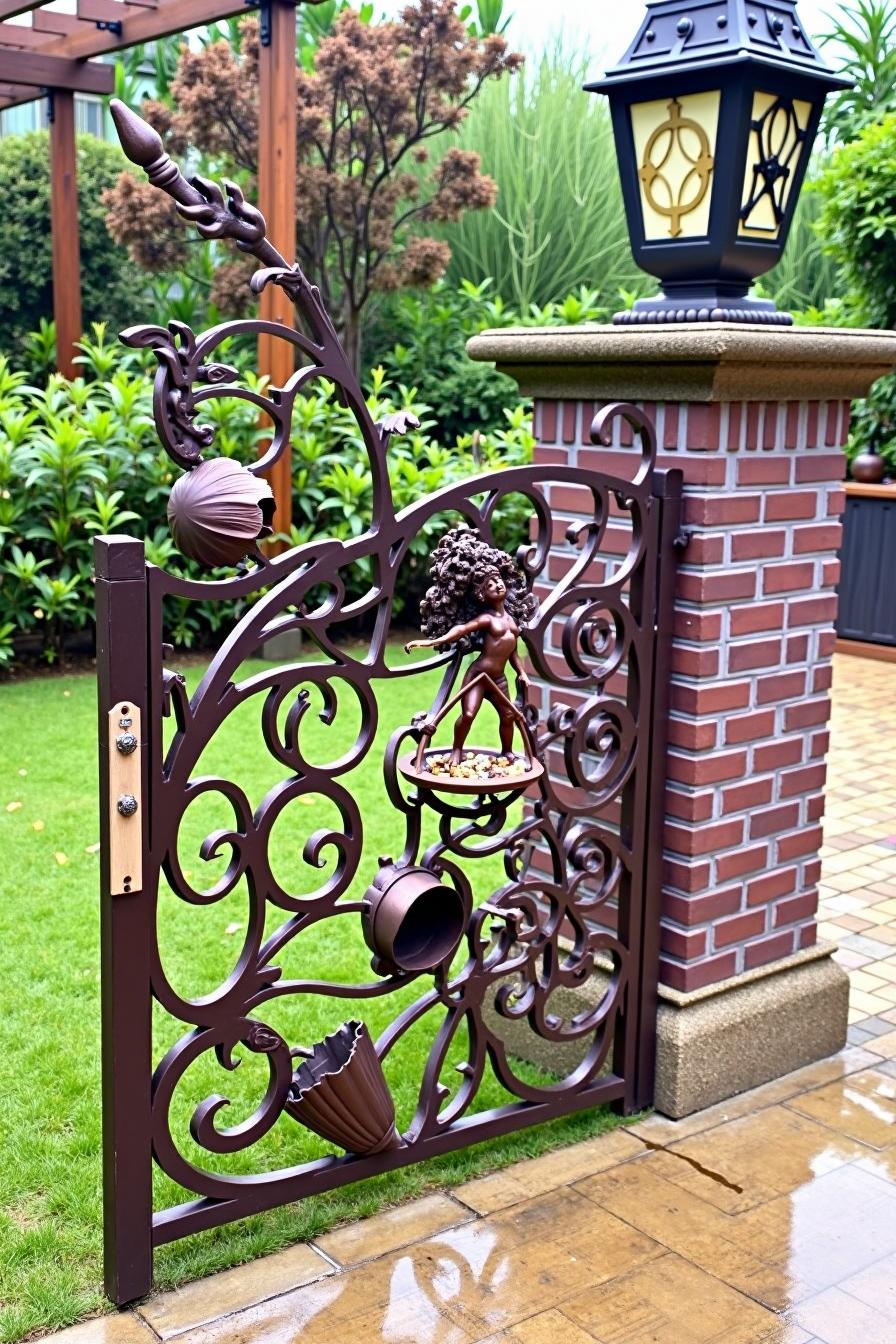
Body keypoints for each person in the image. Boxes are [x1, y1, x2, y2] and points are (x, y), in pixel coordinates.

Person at [404, 528, 537, 765]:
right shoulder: (487, 619)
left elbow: (512, 650)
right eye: (489, 585)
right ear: (481, 596)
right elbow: (462, 629)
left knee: (508, 716)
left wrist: (522, 672)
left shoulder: (512, 620)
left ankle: (507, 751)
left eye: (498, 580)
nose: (497, 585)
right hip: (479, 675)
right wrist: (433, 641)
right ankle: (457, 750)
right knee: (467, 714)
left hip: (499, 679)